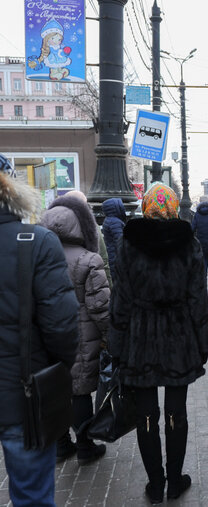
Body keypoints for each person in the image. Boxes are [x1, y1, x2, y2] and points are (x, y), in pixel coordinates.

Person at [109, 184, 208, 504]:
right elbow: (198, 298)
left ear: (146, 206)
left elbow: (120, 301)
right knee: (175, 412)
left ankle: (155, 485)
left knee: (146, 415)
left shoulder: (128, 245)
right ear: (171, 208)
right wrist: (203, 342)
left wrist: (116, 345)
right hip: (178, 340)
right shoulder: (189, 244)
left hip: (139, 341)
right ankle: (174, 480)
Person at [0, 153, 79, 505]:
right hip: (24, 395)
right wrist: (58, 369)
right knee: (32, 497)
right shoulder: (36, 243)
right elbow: (62, 329)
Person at [39, 192, 111, 465]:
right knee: (80, 392)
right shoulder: (88, 259)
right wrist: (109, 337)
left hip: (48, 338)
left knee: (57, 391)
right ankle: (85, 447)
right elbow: (100, 308)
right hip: (81, 338)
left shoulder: (38, 257)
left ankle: (60, 445)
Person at [66, 190, 112, 287]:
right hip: (87, 283)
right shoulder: (92, 227)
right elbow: (103, 260)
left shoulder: (52, 224)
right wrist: (109, 287)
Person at [101, 197, 127, 271]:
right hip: (116, 257)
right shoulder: (115, 222)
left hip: (111, 254)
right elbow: (120, 241)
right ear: (116, 208)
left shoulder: (108, 220)